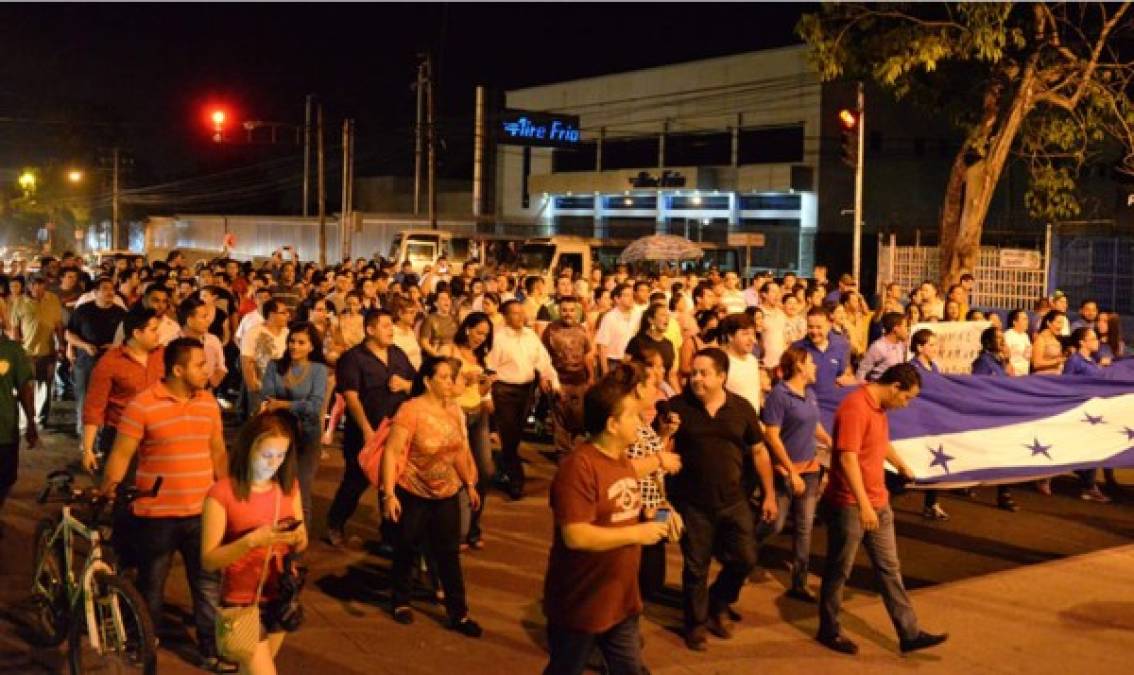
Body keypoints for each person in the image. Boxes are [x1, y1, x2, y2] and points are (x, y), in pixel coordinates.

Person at [99, 338, 233, 672]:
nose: (208, 370)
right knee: (151, 586)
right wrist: (108, 491)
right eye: (200, 365)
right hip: (156, 515)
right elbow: (121, 453)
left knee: (207, 585)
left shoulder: (208, 403)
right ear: (177, 369)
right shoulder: (143, 405)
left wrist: (227, 494)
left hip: (202, 512)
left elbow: (218, 451)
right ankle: (144, 643)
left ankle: (210, 648)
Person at [542, 370, 673, 675]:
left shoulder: (622, 461)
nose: (639, 423)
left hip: (621, 598)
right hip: (581, 602)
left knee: (631, 669)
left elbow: (623, 509)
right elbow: (576, 535)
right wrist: (639, 532)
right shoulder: (579, 468)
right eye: (632, 417)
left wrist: (660, 514)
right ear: (612, 425)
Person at [817, 363, 947, 655]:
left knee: (889, 569)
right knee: (839, 569)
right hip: (851, 505)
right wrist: (863, 505)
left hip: (878, 500)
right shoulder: (855, 407)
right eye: (907, 397)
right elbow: (848, 458)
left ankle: (909, 632)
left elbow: (879, 442)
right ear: (894, 387)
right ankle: (828, 628)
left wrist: (900, 465)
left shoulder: (878, 408)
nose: (906, 403)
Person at [668, 347, 777, 651]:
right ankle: (696, 624)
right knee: (695, 567)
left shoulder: (741, 409)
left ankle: (720, 601)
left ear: (721, 376)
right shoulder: (678, 407)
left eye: (703, 373)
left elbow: (758, 451)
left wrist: (769, 494)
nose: (695, 379)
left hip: (734, 501)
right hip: (692, 503)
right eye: (693, 373)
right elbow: (658, 448)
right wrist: (666, 432)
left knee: (746, 558)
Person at [381, 356, 484, 637]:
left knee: (449, 553)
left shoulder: (453, 410)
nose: (451, 383)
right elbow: (392, 451)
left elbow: (459, 451)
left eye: (452, 378)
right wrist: (389, 493)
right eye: (444, 377)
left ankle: (459, 613)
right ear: (427, 380)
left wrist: (469, 483)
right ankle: (401, 600)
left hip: (447, 491)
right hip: (413, 490)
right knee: (406, 546)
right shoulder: (410, 410)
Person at [200, 411, 308, 675]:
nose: (274, 463)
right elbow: (209, 559)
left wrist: (294, 538)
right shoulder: (222, 493)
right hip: (241, 601)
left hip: (280, 594)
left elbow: (302, 540)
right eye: (267, 455)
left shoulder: (288, 486)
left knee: (256, 667)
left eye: (281, 456)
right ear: (249, 449)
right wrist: (250, 542)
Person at [756, 346, 832, 602]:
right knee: (775, 523)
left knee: (804, 527)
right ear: (799, 365)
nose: (815, 367)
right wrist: (790, 471)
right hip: (785, 470)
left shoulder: (809, 393)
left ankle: (799, 582)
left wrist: (829, 441)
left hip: (809, 469)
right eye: (810, 363)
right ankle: (743, 552)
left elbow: (814, 424)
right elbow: (772, 437)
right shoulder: (780, 395)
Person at [485, 299, 558, 500]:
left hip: (526, 391)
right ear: (506, 317)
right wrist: (487, 395)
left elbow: (542, 360)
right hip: (504, 391)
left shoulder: (530, 335)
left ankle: (504, 466)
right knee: (508, 436)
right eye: (515, 313)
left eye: (522, 312)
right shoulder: (498, 338)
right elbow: (489, 369)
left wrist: (547, 377)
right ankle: (516, 480)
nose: (520, 316)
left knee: (515, 435)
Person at [260, 323, 329, 528]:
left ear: (312, 347)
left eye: (301, 342)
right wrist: (297, 405)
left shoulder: (319, 370)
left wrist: (283, 404)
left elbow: (315, 406)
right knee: (273, 487)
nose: (295, 346)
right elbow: (266, 396)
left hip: (307, 435)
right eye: (292, 341)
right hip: (277, 434)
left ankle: (297, 549)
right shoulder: (275, 366)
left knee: (301, 489)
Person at [81, 308, 165, 474]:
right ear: (137, 333)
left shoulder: (163, 356)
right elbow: (94, 407)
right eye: (153, 330)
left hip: (159, 436)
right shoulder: (110, 362)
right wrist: (88, 449)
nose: (158, 335)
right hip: (121, 437)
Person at [451, 312, 496, 549]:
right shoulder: (450, 351)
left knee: (485, 470)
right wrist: (463, 376)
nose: (481, 338)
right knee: (461, 472)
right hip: (456, 415)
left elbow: (478, 392)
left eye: (485, 334)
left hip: (478, 413)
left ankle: (473, 526)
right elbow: (445, 386)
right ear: (467, 328)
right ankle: (460, 530)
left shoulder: (481, 355)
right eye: (478, 332)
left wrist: (486, 385)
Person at [66, 276, 127, 436]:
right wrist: (84, 346)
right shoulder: (83, 311)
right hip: (86, 363)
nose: (110, 292)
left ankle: (101, 438)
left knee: (106, 401)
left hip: (111, 363)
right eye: (105, 289)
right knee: (85, 400)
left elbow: (129, 338)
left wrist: (115, 347)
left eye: (112, 289)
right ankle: (85, 437)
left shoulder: (121, 313)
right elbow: (69, 334)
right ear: (95, 292)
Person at [970, 326, 1021, 512]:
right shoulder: (983, 361)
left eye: (1003, 338)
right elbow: (977, 387)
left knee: (1003, 452)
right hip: (987, 414)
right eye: (997, 338)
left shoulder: (1001, 361)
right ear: (988, 342)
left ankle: (1004, 493)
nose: (1002, 341)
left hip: (1001, 412)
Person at [1062, 327, 1112, 503]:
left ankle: (1088, 484)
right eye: (1092, 338)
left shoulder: (1092, 361)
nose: (1096, 340)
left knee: (1093, 448)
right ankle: (1088, 485)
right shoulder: (1074, 361)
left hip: (1094, 411)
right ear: (1082, 342)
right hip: (1081, 411)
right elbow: (1065, 385)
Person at [541, 296, 594, 458]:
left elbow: (588, 354)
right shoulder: (550, 330)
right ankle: (563, 454)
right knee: (560, 418)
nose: (568, 314)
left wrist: (591, 377)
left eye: (571, 310)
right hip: (559, 381)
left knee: (578, 417)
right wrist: (544, 378)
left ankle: (576, 451)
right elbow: (543, 356)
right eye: (564, 310)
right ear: (559, 311)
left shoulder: (582, 330)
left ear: (576, 311)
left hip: (580, 381)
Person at [8, 274, 63, 429]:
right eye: (34, 285)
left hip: (48, 351)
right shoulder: (19, 302)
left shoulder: (53, 300)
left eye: (40, 284)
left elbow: (58, 325)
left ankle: (42, 418)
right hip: (27, 352)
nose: (37, 288)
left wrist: (62, 346)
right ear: (29, 286)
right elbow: (15, 328)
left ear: (45, 285)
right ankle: (27, 418)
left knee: (46, 386)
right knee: (27, 387)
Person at [0, 327, 36, 538]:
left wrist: (31, 422)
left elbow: (25, 387)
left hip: (4, 429)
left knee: (5, 479)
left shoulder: (12, 350)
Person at [179, 296, 228, 391]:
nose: (208, 320)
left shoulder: (213, 340)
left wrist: (209, 386)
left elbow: (221, 367)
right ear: (190, 321)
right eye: (203, 317)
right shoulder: (172, 342)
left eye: (208, 316)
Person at [594, 284, 640, 375]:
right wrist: (605, 371)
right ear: (617, 299)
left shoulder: (637, 315)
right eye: (627, 295)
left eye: (632, 295)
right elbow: (602, 346)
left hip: (633, 362)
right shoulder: (609, 318)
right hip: (614, 363)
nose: (631, 298)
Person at [856, 312, 909, 382]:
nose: (907, 329)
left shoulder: (900, 345)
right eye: (905, 326)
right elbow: (862, 372)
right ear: (896, 329)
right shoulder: (878, 347)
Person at [1030, 310, 1067, 375]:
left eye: (1062, 323)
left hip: (1057, 375)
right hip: (1044, 377)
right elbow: (1036, 364)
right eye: (1058, 322)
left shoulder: (1057, 339)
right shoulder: (1040, 339)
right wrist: (1056, 361)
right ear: (1048, 323)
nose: (1061, 326)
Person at [1004, 309, 1032, 376]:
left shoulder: (1025, 336)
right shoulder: (1008, 335)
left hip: (1024, 374)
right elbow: (1004, 356)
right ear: (1014, 322)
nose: (1027, 322)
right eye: (1024, 319)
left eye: (1027, 319)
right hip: (1012, 375)